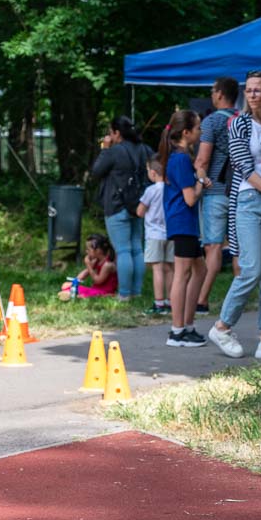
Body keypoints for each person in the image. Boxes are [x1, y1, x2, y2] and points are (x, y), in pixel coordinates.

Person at [207, 71, 261, 360]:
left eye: (258, 90)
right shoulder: (238, 123)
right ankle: (222, 326)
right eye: (249, 90)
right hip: (249, 200)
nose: (252, 94)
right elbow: (244, 167)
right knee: (251, 269)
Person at [160, 109, 207, 346]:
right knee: (182, 274)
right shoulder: (180, 160)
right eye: (198, 128)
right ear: (186, 132)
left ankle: (187, 325)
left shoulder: (178, 157)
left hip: (185, 223)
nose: (201, 132)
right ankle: (177, 331)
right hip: (182, 222)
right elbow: (190, 198)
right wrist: (201, 179)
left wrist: (199, 180)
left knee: (200, 270)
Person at [90, 116, 151, 299]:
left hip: (116, 205)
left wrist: (105, 149)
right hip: (139, 205)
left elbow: (96, 171)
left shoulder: (114, 151)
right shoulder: (145, 149)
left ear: (117, 133)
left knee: (123, 250)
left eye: (111, 132)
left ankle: (124, 293)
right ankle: (137, 292)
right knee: (137, 249)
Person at [195, 77, 240, 314]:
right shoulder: (244, 119)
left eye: (213, 90)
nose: (212, 94)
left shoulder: (212, 121)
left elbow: (203, 159)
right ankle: (239, 299)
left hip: (215, 191)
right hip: (240, 190)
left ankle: (202, 299)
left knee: (213, 246)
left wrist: (200, 175)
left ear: (220, 94)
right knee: (238, 248)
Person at [137, 159, 170, 314]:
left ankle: (159, 304)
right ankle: (171, 301)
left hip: (154, 234)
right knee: (170, 268)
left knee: (157, 268)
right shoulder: (171, 188)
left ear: (153, 172)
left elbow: (140, 211)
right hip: (170, 233)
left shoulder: (151, 190)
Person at [59, 234, 118, 300]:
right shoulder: (97, 260)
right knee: (65, 285)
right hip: (94, 289)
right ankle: (71, 294)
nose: (86, 251)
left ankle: (74, 295)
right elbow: (85, 273)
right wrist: (74, 282)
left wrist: (89, 265)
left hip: (103, 292)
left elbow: (98, 281)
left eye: (88, 249)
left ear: (98, 250)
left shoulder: (107, 265)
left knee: (78, 294)